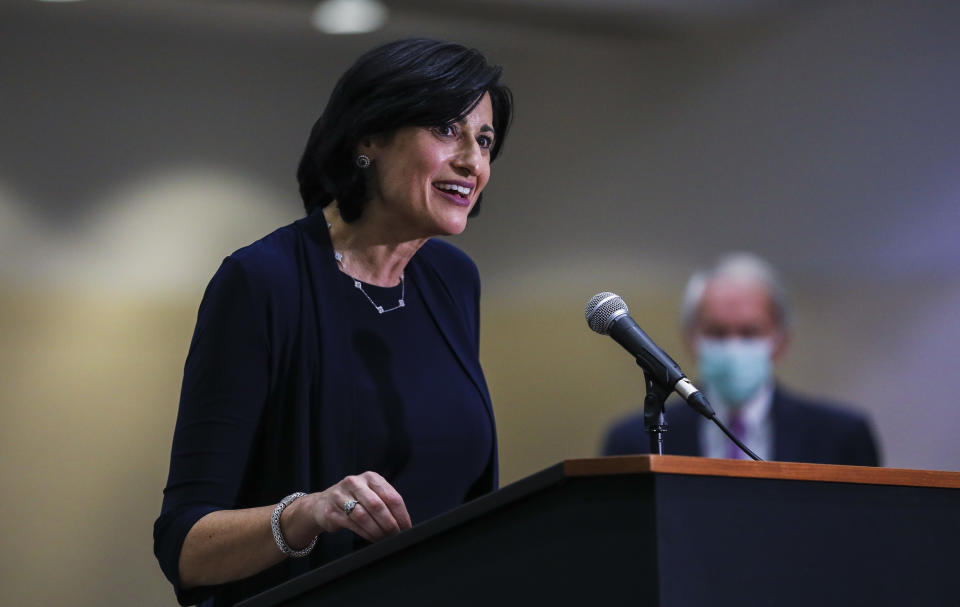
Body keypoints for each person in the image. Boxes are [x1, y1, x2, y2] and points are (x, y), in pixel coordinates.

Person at [153, 38, 513, 606]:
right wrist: (307, 512)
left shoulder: (453, 282)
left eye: (485, 140)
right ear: (369, 137)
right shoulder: (262, 283)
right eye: (447, 130)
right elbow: (185, 548)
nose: (473, 161)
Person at [602, 252, 879, 465]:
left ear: (781, 340)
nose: (733, 346)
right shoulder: (632, 441)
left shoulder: (841, 437)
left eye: (749, 332)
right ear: (691, 339)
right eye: (717, 332)